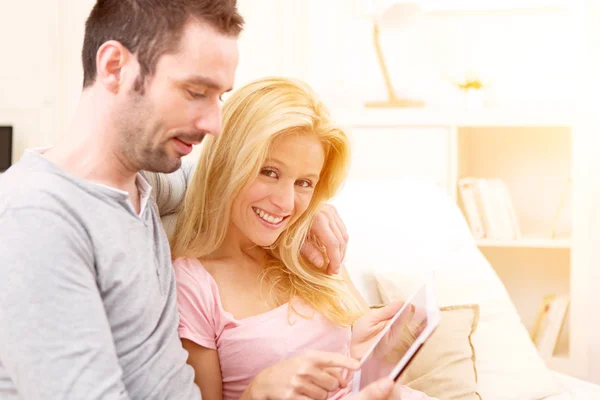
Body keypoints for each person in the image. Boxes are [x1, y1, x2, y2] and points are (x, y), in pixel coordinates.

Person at [0, 1, 396, 399]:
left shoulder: (141, 181)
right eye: (195, 92)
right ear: (115, 67)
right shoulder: (36, 222)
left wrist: (298, 206)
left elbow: (221, 179)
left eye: (219, 96)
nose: (214, 123)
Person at [170, 77, 438, 400]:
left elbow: (354, 379)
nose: (285, 203)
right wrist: (257, 392)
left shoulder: (309, 247)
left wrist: (361, 351)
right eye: (269, 172)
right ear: (228, 162)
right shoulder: (195, 283)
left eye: (304, 183)